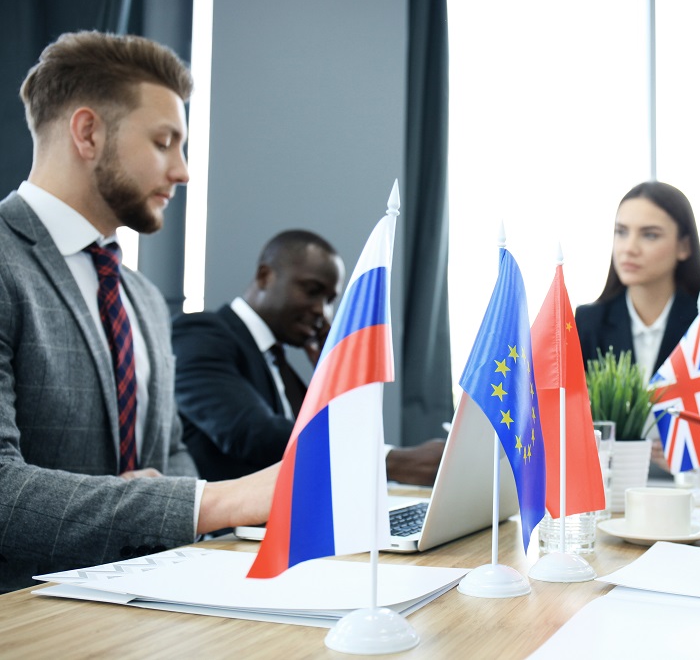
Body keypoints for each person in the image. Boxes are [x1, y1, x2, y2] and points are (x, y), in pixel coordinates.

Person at [0, 31, 276, 593]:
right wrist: (217, 501)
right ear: (88, 132)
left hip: (148, 614)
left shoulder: (144, 298)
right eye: (164, 141)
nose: (183, 171)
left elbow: (169, 454)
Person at [173, 230, 444, 483]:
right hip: (229, 531)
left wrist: (331, 374)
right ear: (265, 276)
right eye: (312, 291)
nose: (322, 312)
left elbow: (329, 433)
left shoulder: (278, 362)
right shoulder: (201, 333)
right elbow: (254, 434)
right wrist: (388, 462)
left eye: (329, 300)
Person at [575, 181, 700, 425]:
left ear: (684, 247)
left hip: (698, 463)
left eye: (649, 235)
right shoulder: (588, 322)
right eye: (621, 232)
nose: (629, 248)